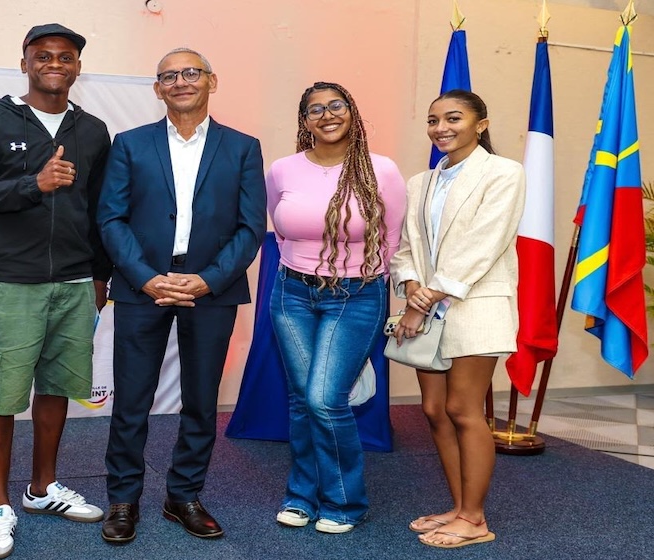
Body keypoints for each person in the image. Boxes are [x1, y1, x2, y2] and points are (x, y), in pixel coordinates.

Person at [97, 47, 267, 544]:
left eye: (191, 72)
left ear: (212, 81)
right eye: (169, 76)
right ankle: (123, 499)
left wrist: (209, 279)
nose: (181, 82)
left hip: (211, 290)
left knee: (200, 400)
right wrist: (146, 277)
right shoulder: (130, 144)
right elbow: (111, 218)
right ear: (157, 89)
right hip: (142, 287)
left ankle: (183, 496)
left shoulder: (243, 147)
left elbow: (250, 226)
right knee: (131, 401)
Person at [0, 23, 112, 560]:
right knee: (0, 396)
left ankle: (42, 488)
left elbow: (100, 209)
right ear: (24, 63)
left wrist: (100, 275)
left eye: (65, 57)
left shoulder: (92, 129)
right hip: (9, 281)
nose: (54, 64)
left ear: (77, 67)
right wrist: (34, 184)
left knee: (56, 388)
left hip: (74, 281)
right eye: (43, 56)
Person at [267, 82, 406, 534]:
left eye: (336, 105)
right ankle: (301, 496)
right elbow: (280, 230)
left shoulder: (381, 170)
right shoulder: (283, 169)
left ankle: (345, 502)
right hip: (291, 293)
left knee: (325, 399)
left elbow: (393, 237)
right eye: (315, 110)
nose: (326, 115)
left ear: (351, 112)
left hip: (356, 295)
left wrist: (364, 277)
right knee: (301, 399)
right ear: (304, 120)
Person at [389, 89, 525, 549]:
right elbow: (406, 248)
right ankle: (458, 506)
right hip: (428, 310)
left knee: (463, 410)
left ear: (480, 125)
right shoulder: (420, 182)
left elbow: (483, 245)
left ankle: (474, 519)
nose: (440, 128)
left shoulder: (504, 173)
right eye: (433, 120)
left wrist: (420, 303)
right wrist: (411, 284)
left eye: (453, 118)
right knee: (434, 410)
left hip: (475, 306)